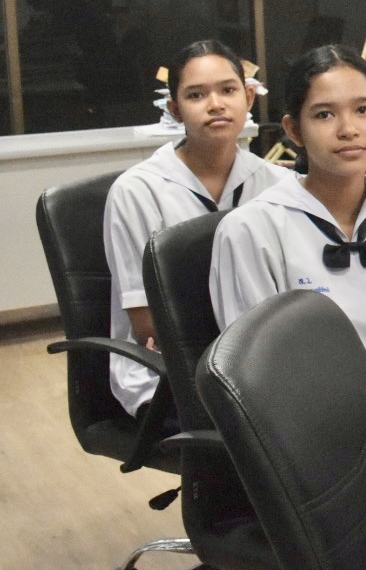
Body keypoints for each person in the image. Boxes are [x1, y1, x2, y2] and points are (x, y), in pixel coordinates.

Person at [210, 44, 366, 398]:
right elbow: (256, 376)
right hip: (309, 425)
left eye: (363, 110)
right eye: (324, 115)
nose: (348, 129)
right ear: (294, 130)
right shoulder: (251, 231)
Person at [104, 40, 289, 418]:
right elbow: (148, 327)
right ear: (174, 109)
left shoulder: (278, 184)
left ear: (248, 98)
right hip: (167, 371)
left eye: (228, 90)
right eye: (196, 95)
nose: (216, 104)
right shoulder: (137, 191)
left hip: (265, 361)